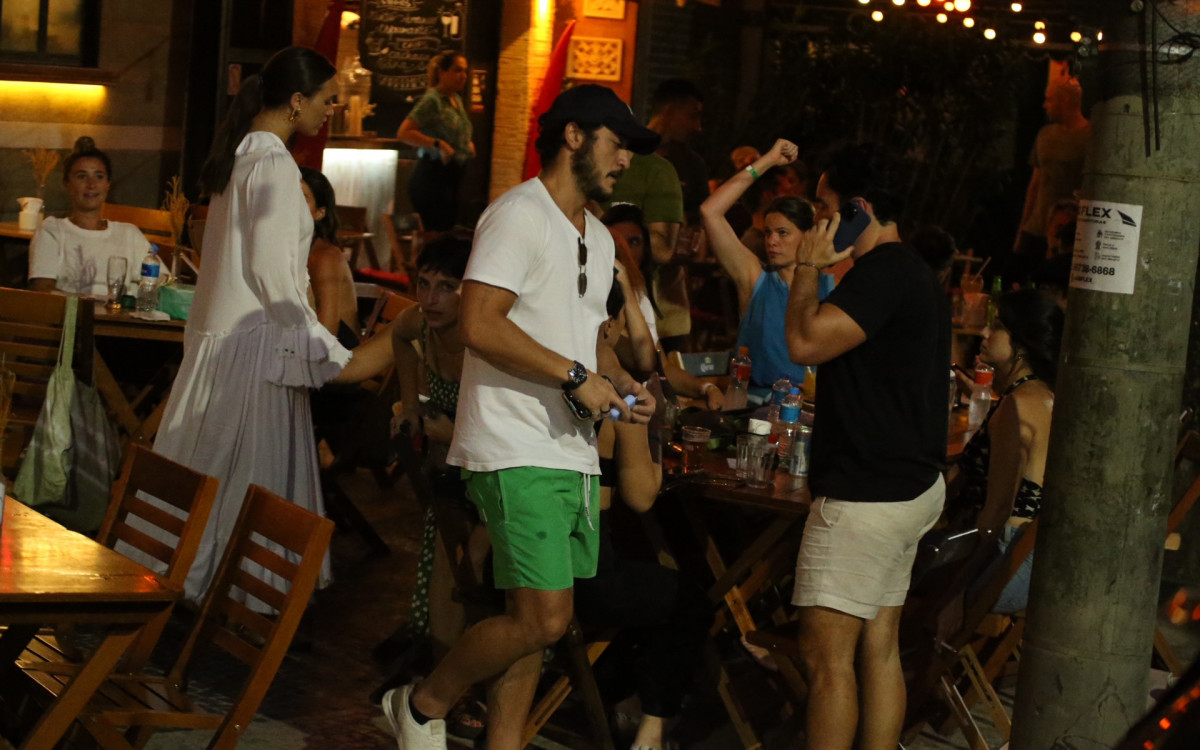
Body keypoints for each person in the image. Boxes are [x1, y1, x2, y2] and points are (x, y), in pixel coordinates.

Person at [381, 84, 658, 750]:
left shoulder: (595, 233)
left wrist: (621, 384)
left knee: (535, 620)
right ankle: (421, 705)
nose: (624, 161)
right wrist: (571, 377)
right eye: (616, 143)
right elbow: (478, 322)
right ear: (573, 137)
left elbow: (585, 338)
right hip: (513, 444)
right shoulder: (517, 216)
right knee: (544, 617)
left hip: (572, 449)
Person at [150, 46, 383, 606]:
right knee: (247, 487)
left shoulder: (241, 156)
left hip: (224, 348)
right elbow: (274, 275)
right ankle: (238, 603)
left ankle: (180, 589)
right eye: (327, 99)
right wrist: (316, 343)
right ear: (297, 99)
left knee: (207, 480)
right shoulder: (275, 164)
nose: (330, 109)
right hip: (255, 353)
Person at [784, 143, 951, 750]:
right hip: (910, 485)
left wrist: (807, 268)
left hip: (867, 495)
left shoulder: (883, 275)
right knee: (877, 649)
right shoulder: (913, 273)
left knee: (825, 661)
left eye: (825, 209)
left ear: (859, 209)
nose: (818, 224)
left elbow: (804, 343)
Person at [700, 138, 835, 401]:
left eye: (783, 233)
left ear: (807, 236)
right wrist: (767, 161)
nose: (772, 241)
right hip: (752, 405)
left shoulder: (829, 285)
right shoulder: (755, 278)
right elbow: (710, 211)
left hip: (807, 408)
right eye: (768, 232)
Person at [955, 290, 1063, 613]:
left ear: (1022, 344)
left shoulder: (1016, 408)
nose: (985, 334)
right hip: (1035, 562)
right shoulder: (1047, 394)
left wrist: (956, 594)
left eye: (998, 326)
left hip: (1006, 565)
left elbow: (995, 514)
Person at [601, 203, 724, 410]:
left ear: (646, 248)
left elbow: (663, 366)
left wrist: (706, 388)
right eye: (617, 242)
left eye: (634, 242)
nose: (625, 250)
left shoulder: (640, 297)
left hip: (637, 405)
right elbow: (643, 362)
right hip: (612, 407)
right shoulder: (598, 295)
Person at [28, 145, 150, 296]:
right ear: (67, 183)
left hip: (120, 317)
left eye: (99, 176)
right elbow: (43, 289)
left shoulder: (128, 234)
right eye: (81, 176)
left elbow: (161, 282)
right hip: (72, 317)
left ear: (107, 185)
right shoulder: (53, 230)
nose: (91, 185)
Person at [1011, 78, 1089, 282]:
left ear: (1065, 101)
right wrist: (1023, 228)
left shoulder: (1090, 136)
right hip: (1036, 226)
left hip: (1065, 230)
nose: (1045, 105)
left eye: (1050, 100)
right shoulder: (1045, 135)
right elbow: (1035, 184)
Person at [396, 50, 475, 231]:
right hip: (432, 176)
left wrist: (466, 144)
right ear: (442, 72)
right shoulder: (433, 100)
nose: (463, 76)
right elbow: (404, 132)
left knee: (449, 233)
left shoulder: (456, 99)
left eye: (465, 71)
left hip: (452, 176)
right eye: (457, 70)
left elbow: (454, 131)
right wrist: (438, 144)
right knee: (438, 236)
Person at [300, 166, 361, 348]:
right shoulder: (293, 250)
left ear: (319, 213)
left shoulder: (325, 257)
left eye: (302, 199)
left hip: (337, 357)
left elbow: (327, 333)